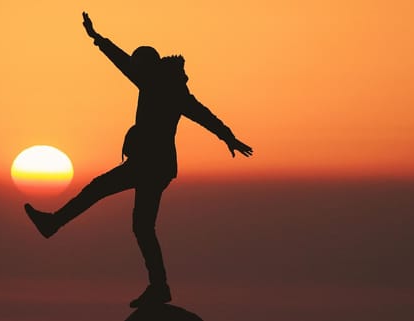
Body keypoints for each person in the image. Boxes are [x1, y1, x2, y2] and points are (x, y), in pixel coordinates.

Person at [24, 12, 253, 308]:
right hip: (156, 167)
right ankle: (158, 287)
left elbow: (201, 113)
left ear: (146, 66)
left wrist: (98, 39)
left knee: (100, 191)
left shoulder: (158, 84)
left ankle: (53, 224)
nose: (135, 71)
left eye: (138, 67)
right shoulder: (169, 86)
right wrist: (228, 137)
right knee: (142, 226)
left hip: (149, 165)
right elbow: (202, 113)